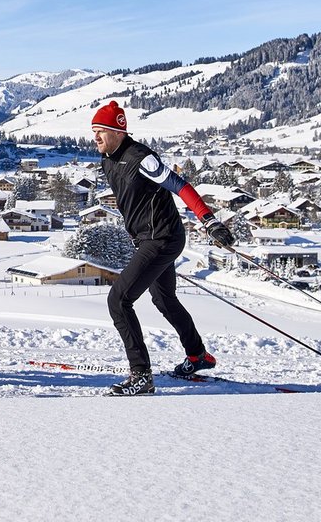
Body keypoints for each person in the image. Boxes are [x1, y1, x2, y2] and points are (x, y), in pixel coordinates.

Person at [90, 100, 234, 395]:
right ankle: (197, 356)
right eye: (94, 131)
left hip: (162, 238)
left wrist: (208, 220)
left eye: (101, 131)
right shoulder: (108, 160)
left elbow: (181, 186)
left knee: (118, 301)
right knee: (164, 299)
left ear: (118, 131)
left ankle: (141, 376)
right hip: (148, 238)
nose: (96, 137)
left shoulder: (142, 158)